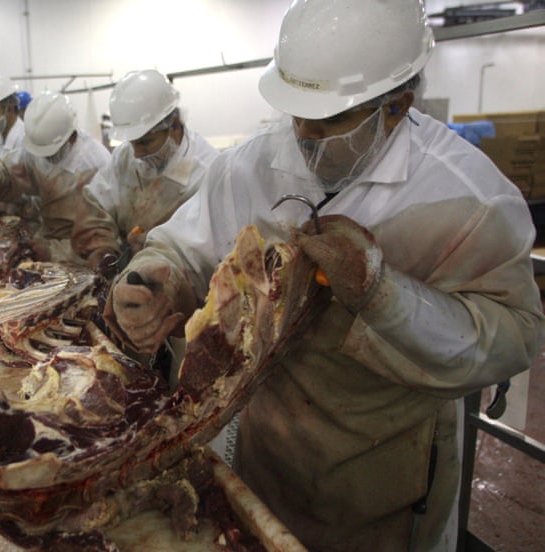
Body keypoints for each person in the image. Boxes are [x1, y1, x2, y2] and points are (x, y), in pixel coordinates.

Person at [103, 1, 545, 550]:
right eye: (297, 112)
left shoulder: (468, 198)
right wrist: (152, 275)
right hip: (270, 439)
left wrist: (384, 293)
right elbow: (181, 244)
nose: (305, 134)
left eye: (330, 119)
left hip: (384, 463)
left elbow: (514, 337)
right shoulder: (251, 166)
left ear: (396, 106)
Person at [72, 69, 218, 274]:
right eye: (132, 143)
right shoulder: (125, 157)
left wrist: (159, 249)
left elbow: (208, 253)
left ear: (174, 125)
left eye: (146, 143)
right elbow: (95, 205)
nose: (137, 154)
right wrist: (101, 249)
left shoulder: (205, 172)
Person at [0, 90, 111, 262]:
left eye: (50, 152)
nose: (45, 158)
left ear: (71, 136)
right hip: (45, 236)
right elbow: (7, 167)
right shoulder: (37, 147)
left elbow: (104, 243)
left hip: (78, 254)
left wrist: (55, 252)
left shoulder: (94, 165)